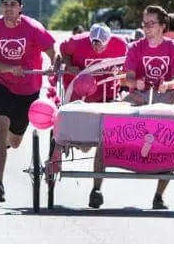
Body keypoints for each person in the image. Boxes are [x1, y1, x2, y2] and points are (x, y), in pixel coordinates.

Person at [0, 0, 58, 203]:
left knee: (14, 142)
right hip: (2, 87)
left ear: (20, 8)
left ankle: (5, 144)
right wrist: (9, 68)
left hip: (28, 92)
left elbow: (52, 50)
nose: (8, 8)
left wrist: (53, 65)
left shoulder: (32, 27)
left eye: (13, 4)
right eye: (5, 4)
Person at [122, 5, 174, 210]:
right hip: (140, 95)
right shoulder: (135, 47)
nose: (147, 27)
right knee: (119, 107)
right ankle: (97, 187)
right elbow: (129, 79)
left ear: (162, 26)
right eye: (144, 23)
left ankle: (159, 195)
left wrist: (167, 84)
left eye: (151, 24)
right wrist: (135, 83)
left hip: (165, 96)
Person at [59, 23, 129, 209]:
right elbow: (63, 51)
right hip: (79, 97)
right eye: (94, 42)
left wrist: (122, 72)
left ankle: (96, 188)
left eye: (101, 43)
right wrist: (70, 64)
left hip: (106, 96)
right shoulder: (76, 42)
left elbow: (128, 62)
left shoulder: (121, 44)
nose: (97, 46)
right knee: (83, 141)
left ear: (109, 40)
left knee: (103, 140)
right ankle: (55, 159)